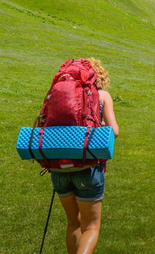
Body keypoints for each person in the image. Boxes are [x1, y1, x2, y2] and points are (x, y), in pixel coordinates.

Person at [51, 58, 119, 254]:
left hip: (58, 166)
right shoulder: (102, 95)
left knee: (73, 223)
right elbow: (114, 131)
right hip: (87, 168)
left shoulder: (61, 93)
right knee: (90, 227)